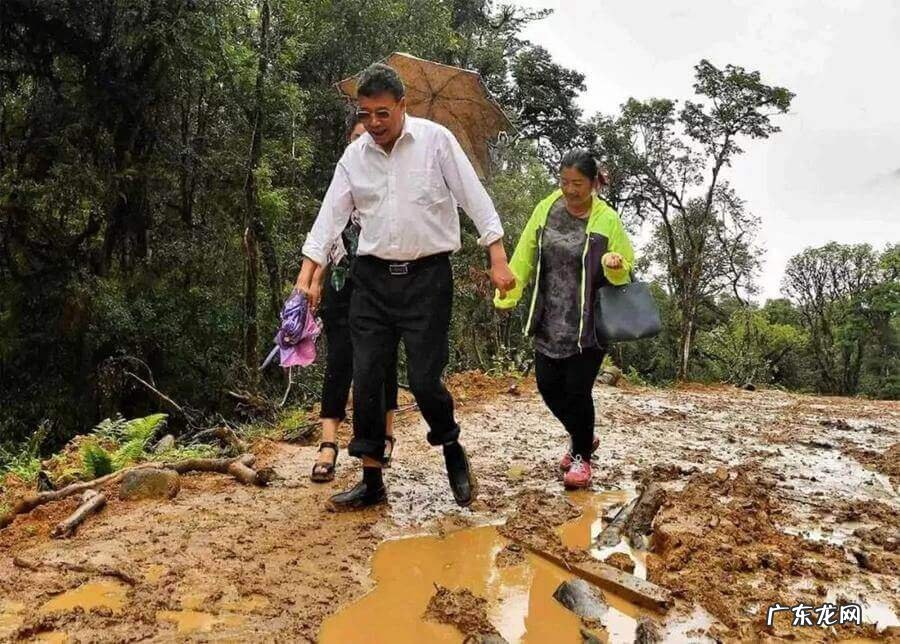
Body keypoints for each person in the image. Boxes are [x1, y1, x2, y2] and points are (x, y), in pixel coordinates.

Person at [297, 63, 516, 510]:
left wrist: (497, 255)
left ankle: (451, 447)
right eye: (366, 114)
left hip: (428, 280)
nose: (375, 123)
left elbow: (474, 197)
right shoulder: (354, 157)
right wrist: (306, 275)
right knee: (367, 375)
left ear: (402, 105)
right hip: (372, 281)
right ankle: (371, 479)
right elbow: (329, 217)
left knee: (423, 380)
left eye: (383, 113)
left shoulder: (436, 141)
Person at [494, 149, 634, 489]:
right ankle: (582, 435)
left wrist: (615, 265)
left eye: (578, 184)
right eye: (564, 182)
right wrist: (508, 292)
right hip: (550, 316)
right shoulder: (546, 208)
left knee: (577, 390)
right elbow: (525, 253)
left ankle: (582, 457)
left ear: (593, 183)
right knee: (548, 387)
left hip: (589, 322)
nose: (570, 190)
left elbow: (625, 268)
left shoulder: (607, 219)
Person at [306, 117, 400, 483]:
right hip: (342, 288)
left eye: (368, 137)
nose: (362, 142)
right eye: (356, 136)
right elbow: (326, 235)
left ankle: (385, 435)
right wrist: (314, 281)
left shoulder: (387, 186)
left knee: (382, 361)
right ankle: (328, 442)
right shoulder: (342, 183)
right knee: (339, 361)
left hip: (381, 289)